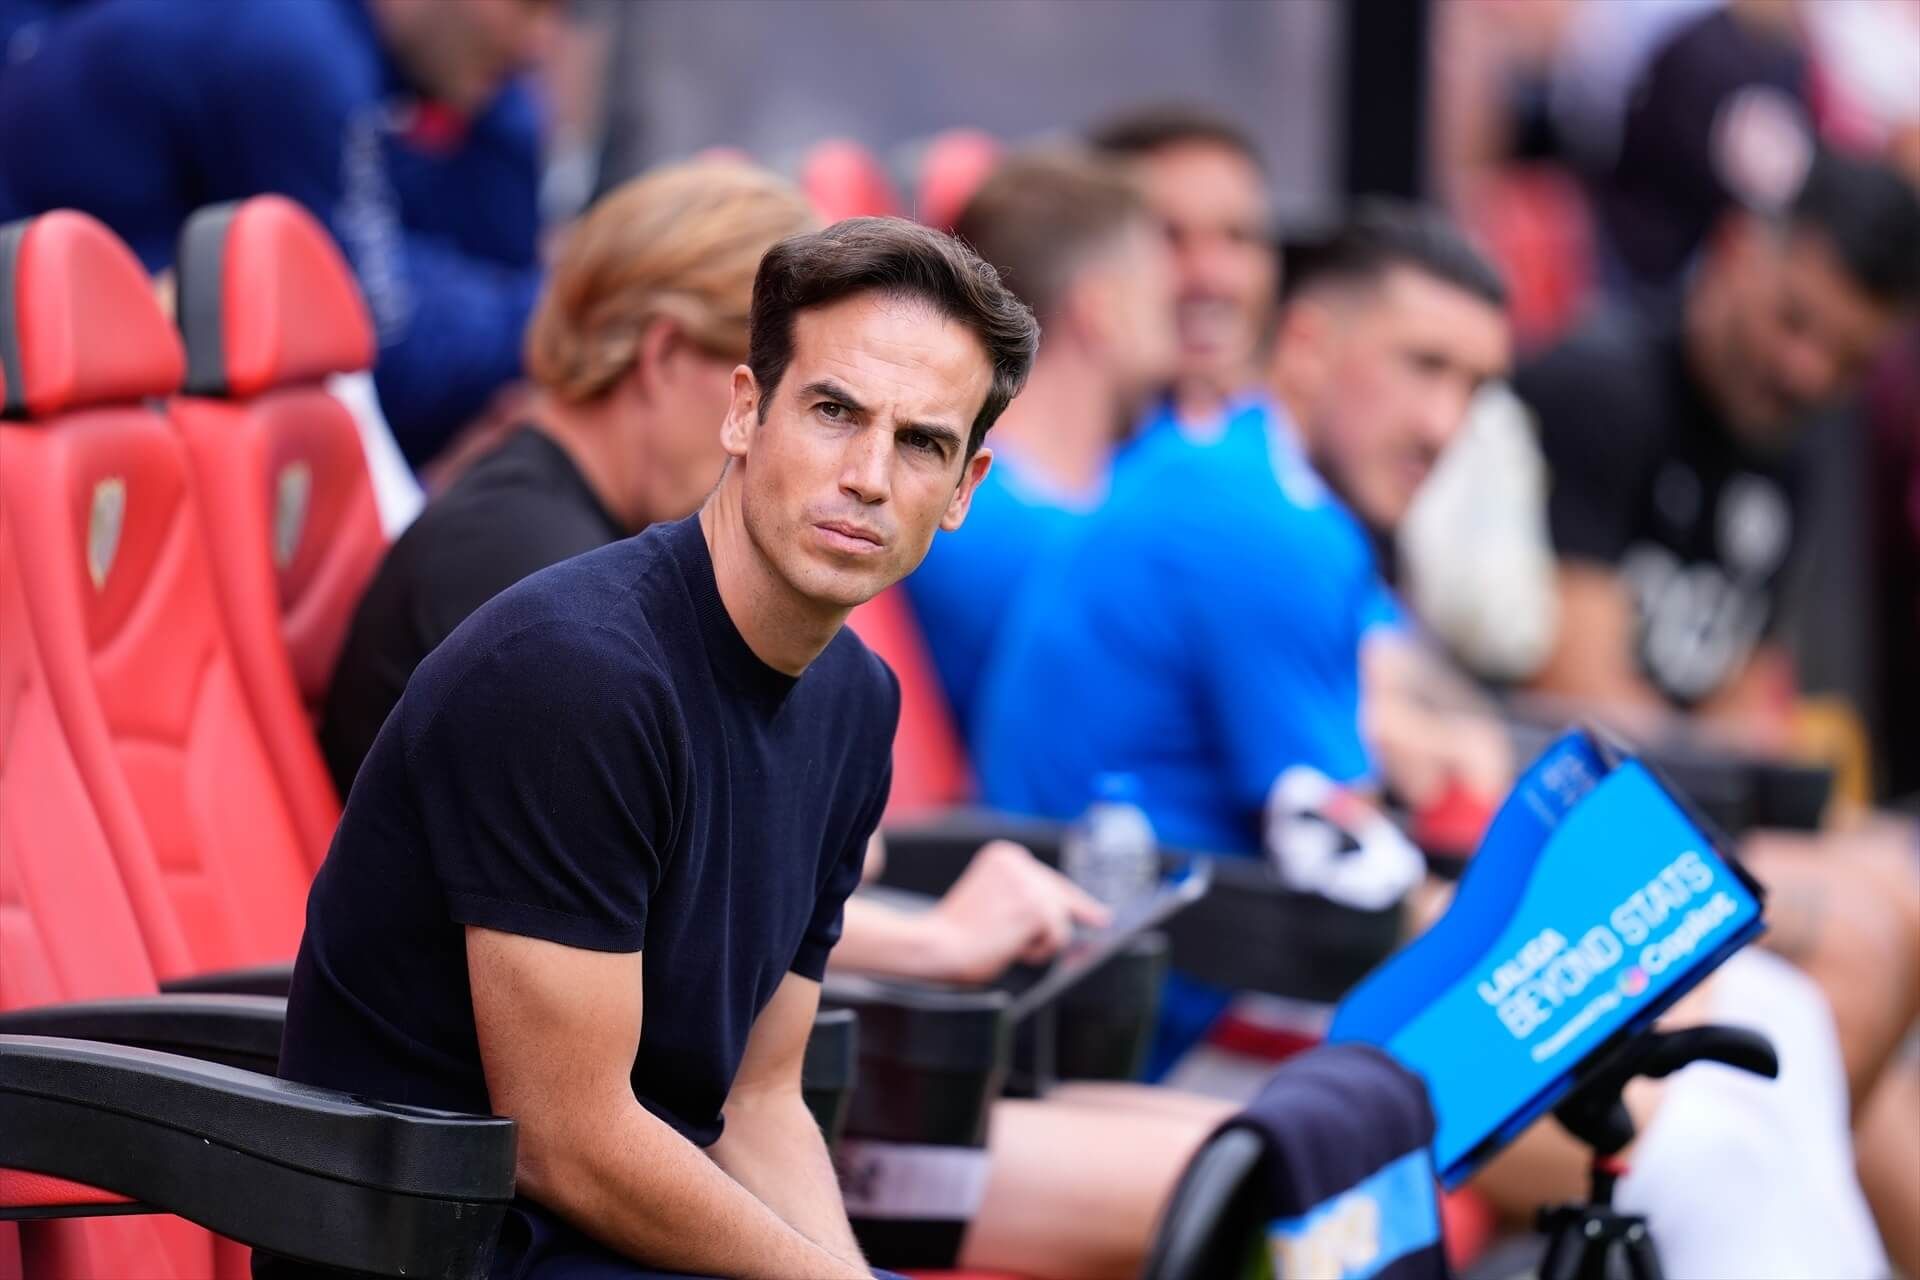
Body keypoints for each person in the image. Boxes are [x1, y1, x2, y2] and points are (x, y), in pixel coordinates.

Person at [272, 218, 1039, 1279]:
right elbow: (565, 1139)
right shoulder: (575, 673)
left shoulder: (857, 702)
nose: (868, 474)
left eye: (921, 443)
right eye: (833, 411)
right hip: (460, 1253)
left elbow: (760, 1098)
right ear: (744, 411)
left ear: (963, 488)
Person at [977, 203, 1513, 1071]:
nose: (1442, 425)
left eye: (1474, 388)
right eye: (1422, 367)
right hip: (1143, 1016)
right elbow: (1360, 887)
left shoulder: (1233, 464)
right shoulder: (1268, 527)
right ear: (1306, 345)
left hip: (1149, 970)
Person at [319, 160, 818, 795]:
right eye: (767, 391)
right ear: (664, 354)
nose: (780, 439)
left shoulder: (547, 535)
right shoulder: (533, 572)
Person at [0, 0, 556, 464]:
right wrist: (553, 308)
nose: (538, 44)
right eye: (528, 5)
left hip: (77, 365)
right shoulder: (295, 47)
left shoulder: (328, 39)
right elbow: (378, 356)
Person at [1518, 148, 1920, 746]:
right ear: (1736, 248)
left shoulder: (1792, 451)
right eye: (1793, 320)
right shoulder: (1600, 389)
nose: (1808, 373)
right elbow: (1578, 699)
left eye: (1850, 361)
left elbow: (1746, 711)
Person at [906, 145, 1176, 737]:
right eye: (1160, 300)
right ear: (1101, 309)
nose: (1173, 333)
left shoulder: (1141, 470)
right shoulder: (968, 516)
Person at [1088, 104, 1278, 442]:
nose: (1211, 276)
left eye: (1237, 236)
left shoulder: (1298, 459)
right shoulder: (1009, 459)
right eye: (1170, 236)